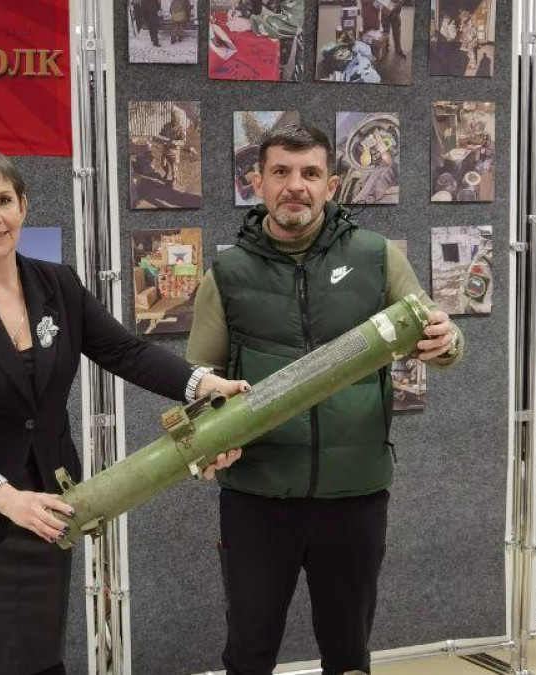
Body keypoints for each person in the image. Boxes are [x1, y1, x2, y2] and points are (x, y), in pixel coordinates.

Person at [0, 150, 248, 675]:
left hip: (49, 504)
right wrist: (6, 498)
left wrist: (202, 384)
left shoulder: (57, 285)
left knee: (40, 656)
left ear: (23, 205)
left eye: (4, 200)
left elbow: (126, 352)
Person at [186, 125, 465, 675]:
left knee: (347, 652)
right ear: (257, 183)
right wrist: (207, 436)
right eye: (281, 172)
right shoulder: (227, 276)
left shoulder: (377, 257)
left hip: (354, 497)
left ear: (331, 185)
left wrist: (447, 340)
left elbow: (442, 339)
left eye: (310, 173)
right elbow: (198, 382)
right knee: (249, 651)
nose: (296, 185)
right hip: (258, 499)